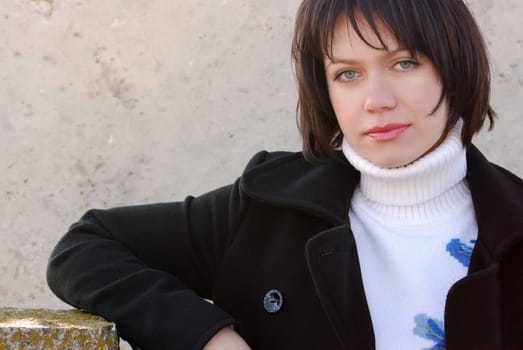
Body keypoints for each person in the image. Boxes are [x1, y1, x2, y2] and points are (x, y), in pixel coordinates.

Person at [47, 0, 523, 349]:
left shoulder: (513, 224)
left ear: (455, 70)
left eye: (404, 63)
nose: (376, 99)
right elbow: (86, 247)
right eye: (347, 74)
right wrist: (209, 337)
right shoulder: (269, 208)